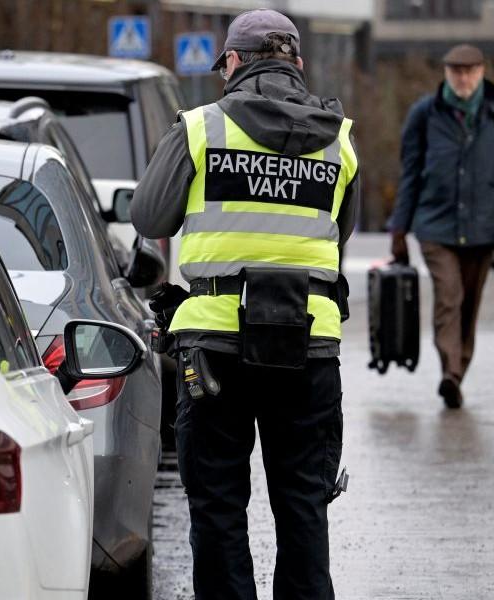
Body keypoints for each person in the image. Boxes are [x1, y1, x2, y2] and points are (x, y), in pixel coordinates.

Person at [131, 9, 359, 599]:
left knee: (219, 508)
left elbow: (150, 217)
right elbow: (338, 236)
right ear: (297, 65)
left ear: (233, 62)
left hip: (213, 347)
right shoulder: (340, 141)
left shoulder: (200, 128)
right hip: (309, 343)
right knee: (304, 504)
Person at [388, 44, 494, 410]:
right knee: (449, 297)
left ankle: (457, 371)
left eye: (470, 71)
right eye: (456, 72)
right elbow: (410, 173)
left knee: (470, 302)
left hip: (484, 229)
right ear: (446, 74)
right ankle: (450, 371)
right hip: (436, 225)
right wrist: (399, 229)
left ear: (481, 71)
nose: (463, 78)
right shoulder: (425, 114)